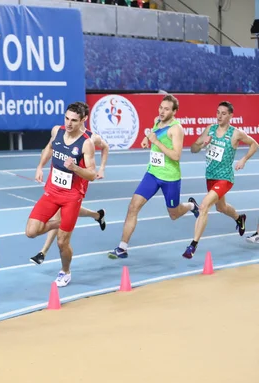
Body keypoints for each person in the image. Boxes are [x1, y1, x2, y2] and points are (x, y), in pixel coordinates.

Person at [108, 94, 199, 259]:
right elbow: (154, 131)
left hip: (170, 178)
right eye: (161, 108)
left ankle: (192, 206)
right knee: (133, 207)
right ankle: (122, 247)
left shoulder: (176, 129)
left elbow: (177, 155)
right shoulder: (158, 121)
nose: (162, 111)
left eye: (166, 109)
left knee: (174, 214)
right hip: (152, 173)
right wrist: (145, 139)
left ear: (174, 112)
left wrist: (156, 142)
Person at [25, 102, 97, 287]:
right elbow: (49, 148)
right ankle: (64, 222)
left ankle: (65, 271)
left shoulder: (86, 144)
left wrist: (75, 168)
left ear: (82, 120)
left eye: (74, 120)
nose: (69, 123)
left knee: (62, 242)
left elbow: (92, 174)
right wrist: (40, 166)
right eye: (67, 118)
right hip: (52, 191)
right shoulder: (57, 131)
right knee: (31, 231)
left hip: (72, 196)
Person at [183, 101, 257, 258]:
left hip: (225, 178)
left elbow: (254, 144)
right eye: (218, 112)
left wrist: (243, 159)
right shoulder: (210, 129)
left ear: (230, 116)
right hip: (210, 177)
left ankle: (192, 246)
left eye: (223, 113)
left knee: (204, 206)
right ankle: (239, 218)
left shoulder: (235, 133)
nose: (219, 116)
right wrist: (202, 144)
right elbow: (193, 149)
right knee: (221, 207)